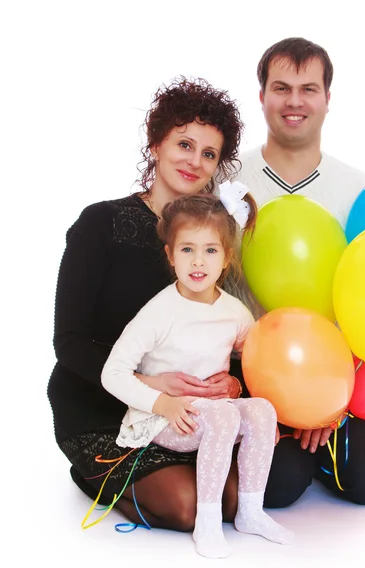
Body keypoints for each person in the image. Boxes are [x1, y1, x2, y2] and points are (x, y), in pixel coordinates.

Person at [47, 76, 313, 534]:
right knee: (188, 507)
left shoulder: (212, 245)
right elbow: (67, 342)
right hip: (102, 405)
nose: (194, 161)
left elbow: (227, 335)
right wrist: (149, 384)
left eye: (208, 154)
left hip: (189, 413)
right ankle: (98, 474)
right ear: (156, 144)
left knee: (242, 496)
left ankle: (182, 467)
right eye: (184, 144)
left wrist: (233, 385)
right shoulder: (100, 223)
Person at [234, 37, 365, 505]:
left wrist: (330, 401)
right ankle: (287, 449)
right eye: (281, 87)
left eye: (308, 89)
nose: (294, 101)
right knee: (277, 486)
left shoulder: (359, 192)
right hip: (252, 368)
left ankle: (318, 442)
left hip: (333, 370)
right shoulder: (228, 182)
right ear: (262, 96)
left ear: (328, 99)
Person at [101, 189, 294, 558]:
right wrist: (163, 404)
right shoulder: (160, 311)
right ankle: (207, 522)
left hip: (211, 413)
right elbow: (114, 372)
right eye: (187, 249)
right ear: (171, 255)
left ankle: (251, 513)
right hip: (164, 419)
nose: (198, 261)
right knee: (222, 415)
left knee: (263, 411)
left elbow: (255, 359)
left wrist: (237, 383)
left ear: (226, 259)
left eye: (210, 250)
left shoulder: (235, 312)